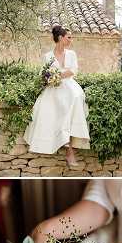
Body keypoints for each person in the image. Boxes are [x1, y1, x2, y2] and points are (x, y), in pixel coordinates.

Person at [24, 26, 90, 167]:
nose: (71, 40)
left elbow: (73, 71)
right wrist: (51, 78)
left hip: (69, 84)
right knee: (52, 102)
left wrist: (57, 75)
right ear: (60, 38)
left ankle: (69, 145)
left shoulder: (71, 54)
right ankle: (66, 146)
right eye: (69, 37)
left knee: (75, 97)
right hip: (53, 87)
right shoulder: (48, 56)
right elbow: (43, 74)